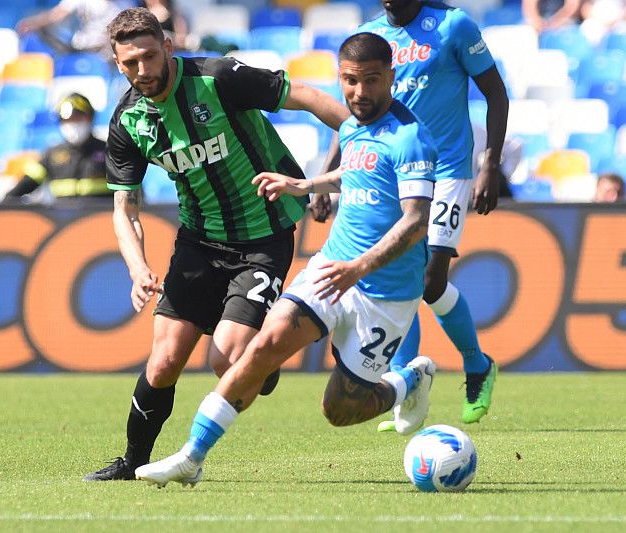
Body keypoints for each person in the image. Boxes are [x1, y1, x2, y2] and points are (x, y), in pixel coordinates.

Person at [134, 31, 439, 488]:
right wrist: (306, 185)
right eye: (350, 81)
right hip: (330, 267)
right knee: (262, 346)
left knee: (340, 410)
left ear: (392, 77)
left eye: (372, 81)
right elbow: (359, 169)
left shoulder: (412, 139)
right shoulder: (354, 126)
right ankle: (191, 457)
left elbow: (415, 222)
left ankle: (407, 382)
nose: (359, 93)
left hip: (385, 293)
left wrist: (359, 270)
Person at [82, 7, 349, 481]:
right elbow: (125, 209)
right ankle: (132, 462)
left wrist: (364, 142)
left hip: (263, 237)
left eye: (148, 56)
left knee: (224, 360)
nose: (142, 70)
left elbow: (304, 95)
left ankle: (259, 361)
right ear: (117, 64)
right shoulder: (128, 122)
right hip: (198, 242)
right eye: (129, 64)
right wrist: (137, 267)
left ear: (167, 46)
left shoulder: (219, 77)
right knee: (163, 362)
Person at [314, 0, 509, 428]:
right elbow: (355, 117)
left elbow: (495, 91)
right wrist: (329, 172)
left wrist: (490, 163)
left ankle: (476, 365)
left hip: (447, 170)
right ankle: (406, 382)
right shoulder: (370, 35)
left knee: (431, 280)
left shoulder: (454, 26)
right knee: (398, 280)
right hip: (388, 173)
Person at [3, 93, 111, 204]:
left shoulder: (110, 151)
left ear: (90, 118)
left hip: (100, 218)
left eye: (77, 118)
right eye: (67, 120)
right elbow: (28, 182)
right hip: (62, 219)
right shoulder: (51, 154)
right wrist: (6, 201)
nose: (72, 124)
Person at [16, 0, 122, 57]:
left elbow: (56, 15)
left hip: (96, 48)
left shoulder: (119, 7)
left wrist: (30, 23)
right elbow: (57, 15)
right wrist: (32, 23)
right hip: (81, 45)